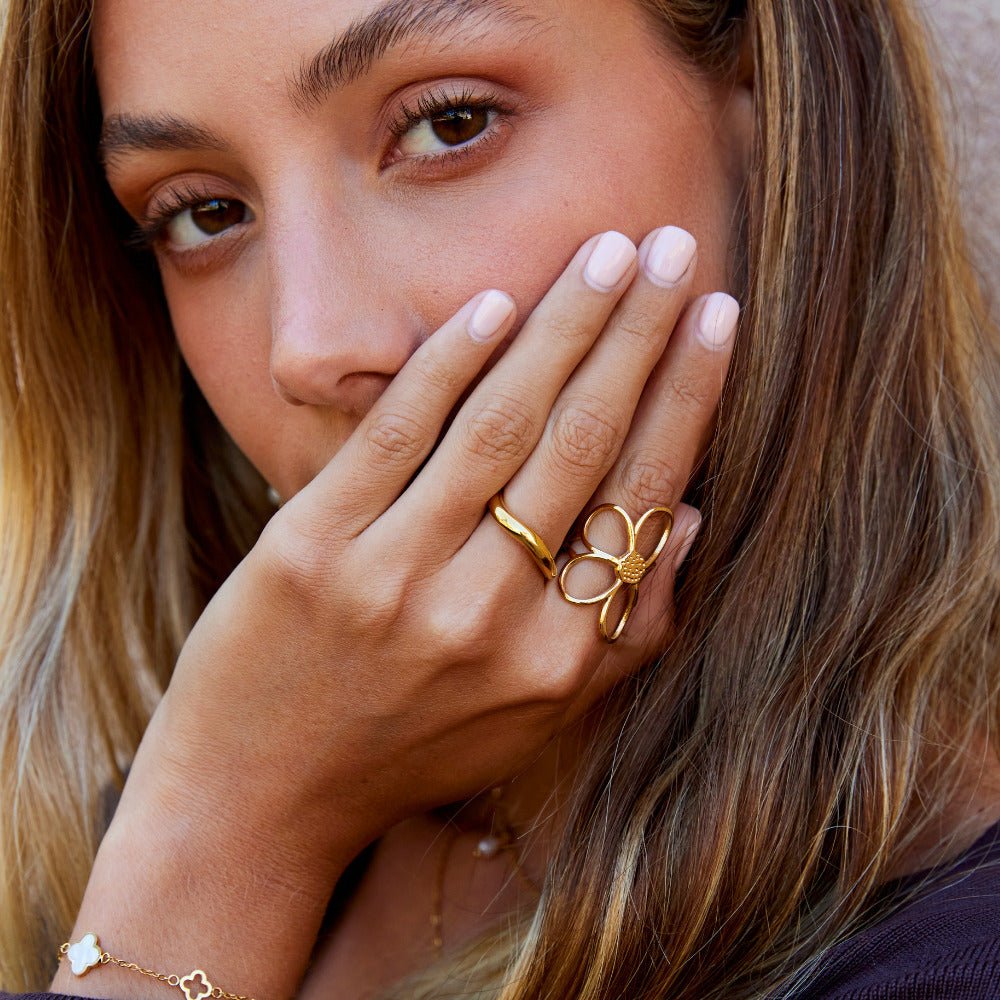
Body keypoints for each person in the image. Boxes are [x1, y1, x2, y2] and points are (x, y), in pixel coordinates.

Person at [0, 0, 997, 998]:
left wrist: (226, 845)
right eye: (204, 212)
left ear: (764, 91)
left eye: (449, 123)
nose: (310, 345)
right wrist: (227, 830)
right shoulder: (137, 819)